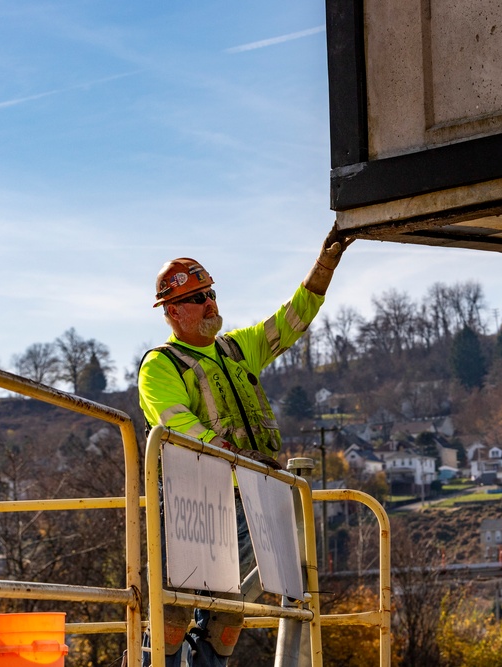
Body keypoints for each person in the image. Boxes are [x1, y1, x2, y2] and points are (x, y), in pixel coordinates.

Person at [138, 228, 347, 667]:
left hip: (250, 498)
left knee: (228, 618)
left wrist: (324, 267)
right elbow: (175, 423)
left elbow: (292, 319)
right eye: (198, 298)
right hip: (193, 502)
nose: (210, 302)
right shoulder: (162, 364)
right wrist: (234, 457)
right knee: (173, 613)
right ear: (173, 311)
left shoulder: (236, 349)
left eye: (211, 292)